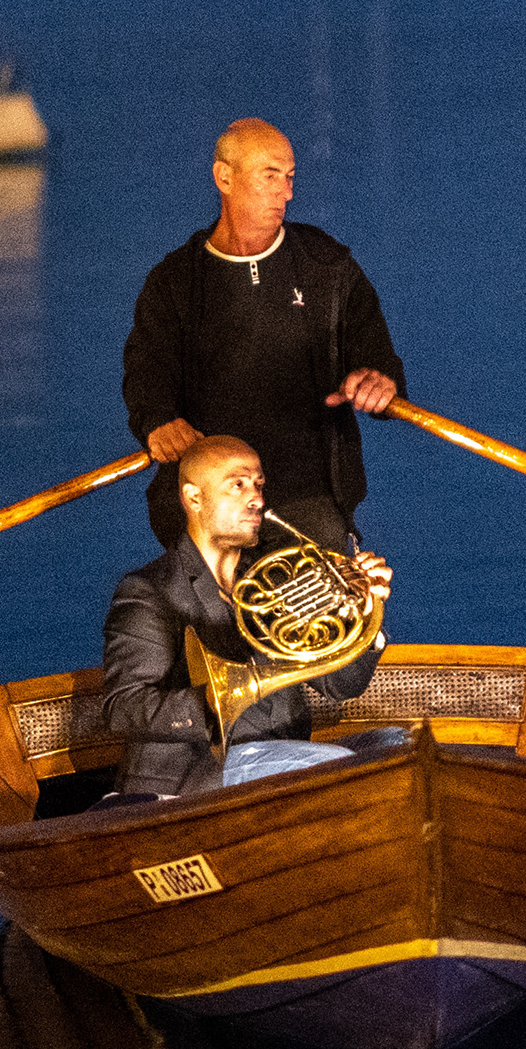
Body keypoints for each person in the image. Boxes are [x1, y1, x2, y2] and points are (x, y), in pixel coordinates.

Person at [121, 117, 406, 551]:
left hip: (311, 499)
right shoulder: (173, 282)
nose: (286, 192)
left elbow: (380, 363)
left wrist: (380, 382)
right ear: (224, 177)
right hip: (211, 505)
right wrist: (157, 421)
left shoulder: (328, 268)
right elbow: (146, 375)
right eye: (270, 175)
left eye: (290, 177)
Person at [99, 434, 394, 802]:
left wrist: (366, 611)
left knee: (399, 745)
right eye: (237, 485)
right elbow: (124, 707)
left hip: (280, 756)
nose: (256, 499)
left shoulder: (275, 582)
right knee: (337, 768)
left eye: (258, 485)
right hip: (197, 772)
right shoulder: (149, 589)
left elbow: (341, 686)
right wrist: (219, 700)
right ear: (193, 497)